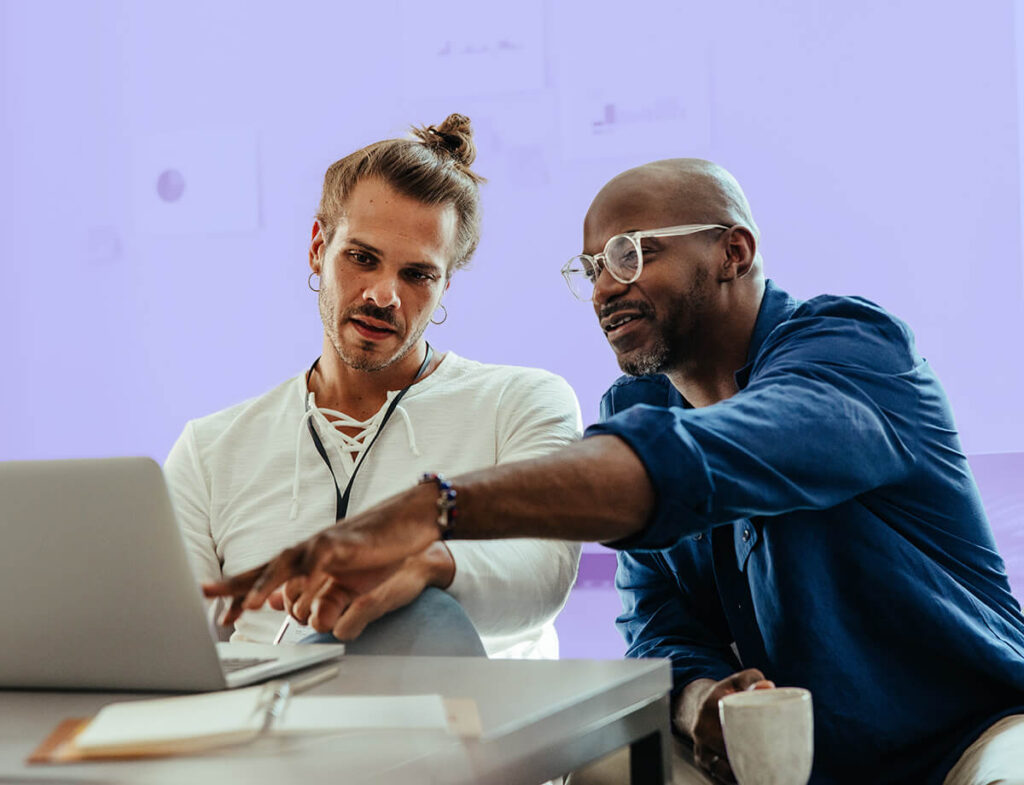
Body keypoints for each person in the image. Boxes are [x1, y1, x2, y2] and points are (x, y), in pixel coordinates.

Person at [205, 158, 1024, 784]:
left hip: (966, 743)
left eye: (631, 255)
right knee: (610, 762)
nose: (604, 286)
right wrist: (705, 701)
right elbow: (658, 623)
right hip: (798, 768)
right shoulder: (637, 409)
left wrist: (434, 508)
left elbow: (718, 458)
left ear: (733, 251)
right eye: (591, 265)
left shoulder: (852, 349)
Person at [165, 113, 581, 660]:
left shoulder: (522, 402)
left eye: (417, 275)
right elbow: (174, 646)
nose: (384, 295)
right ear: (318, 247)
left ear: (446, 284)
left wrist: (426, 564)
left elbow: (543, 574)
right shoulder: (209, 450)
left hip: (469, 729)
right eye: (362, 259)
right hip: (275, 732)